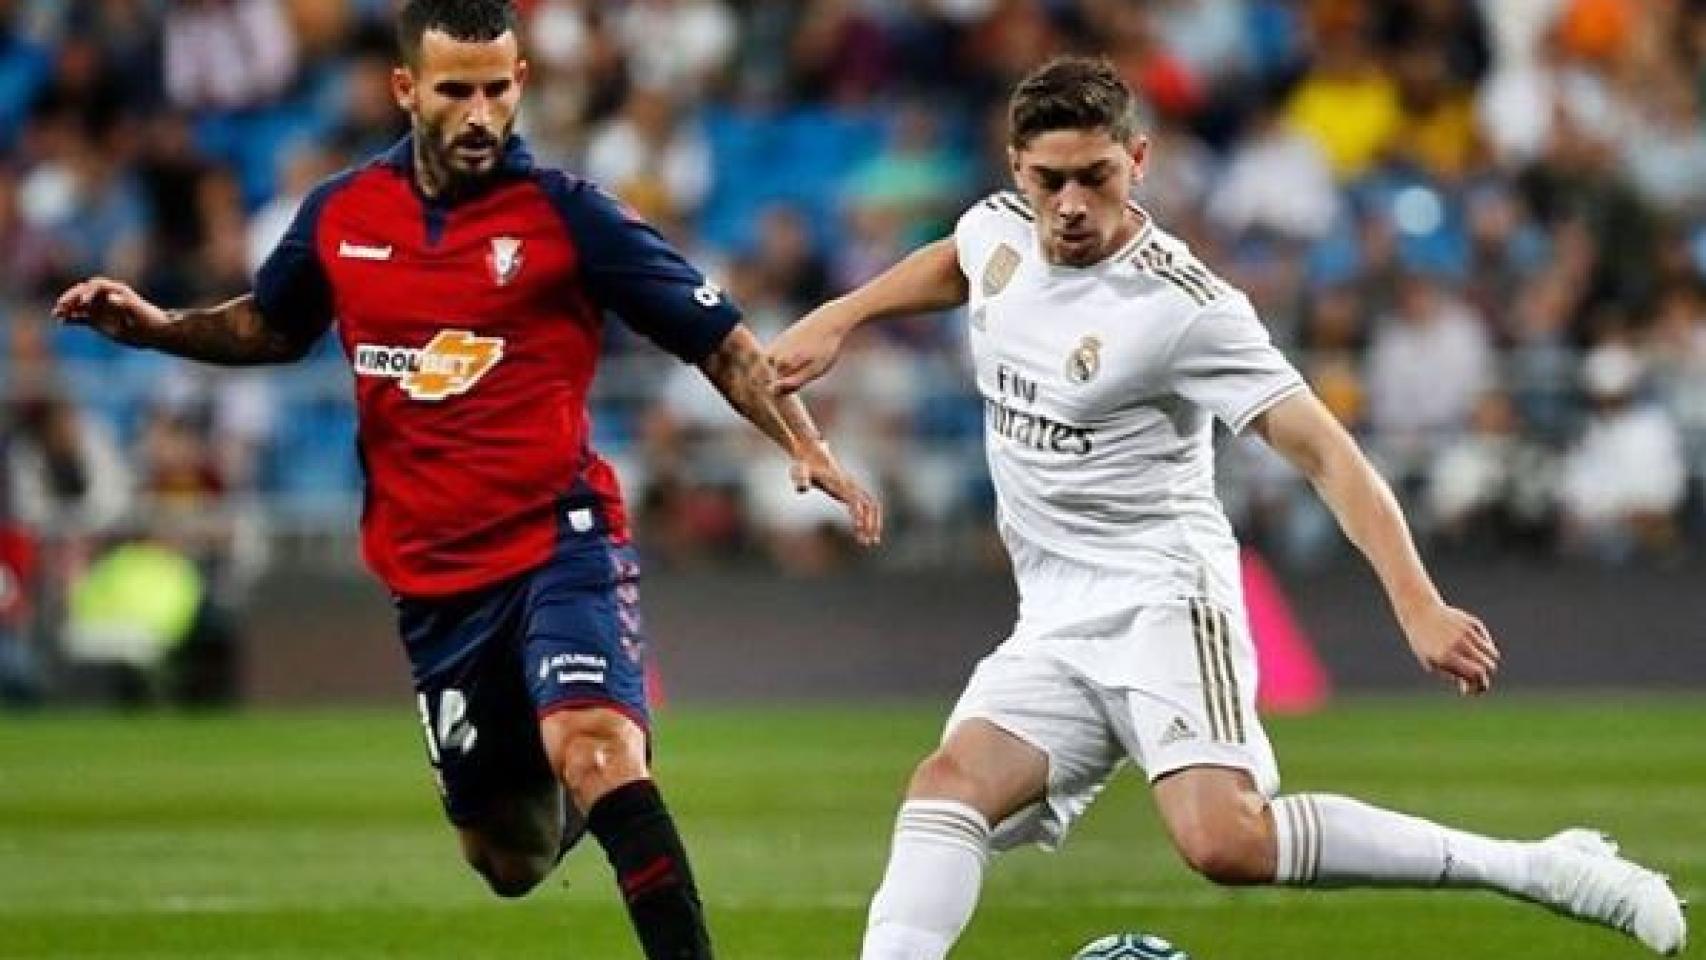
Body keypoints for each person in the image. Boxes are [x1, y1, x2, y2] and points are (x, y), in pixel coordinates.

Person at [768, 56, 1686, 960]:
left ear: (1141, 159)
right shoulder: (998, 232)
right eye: (1050, 182)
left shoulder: (1187, 309)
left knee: (1225, 843)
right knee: (948, 786)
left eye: (1097, 176)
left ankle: (1538, 866)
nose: (1074, 205)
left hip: (1166, 599)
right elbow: (961, 263)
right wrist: (842, 316)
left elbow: (1326, 450)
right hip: (1052, 613)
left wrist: (1418, 600)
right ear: (1017, 172)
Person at [53, 3, 880, 958]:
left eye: (498, 87)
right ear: (409, 90)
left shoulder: (571, 215)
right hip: (434, 578)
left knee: (596, 749)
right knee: (510, 859)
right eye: (456, 90)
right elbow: (271, 328)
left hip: (559, 537)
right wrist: (158, 327)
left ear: (521, 80)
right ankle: (593, 763)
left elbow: (721, 341)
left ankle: (615, 755)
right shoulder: (342, 216)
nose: (481, 111)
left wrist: (802, 442)